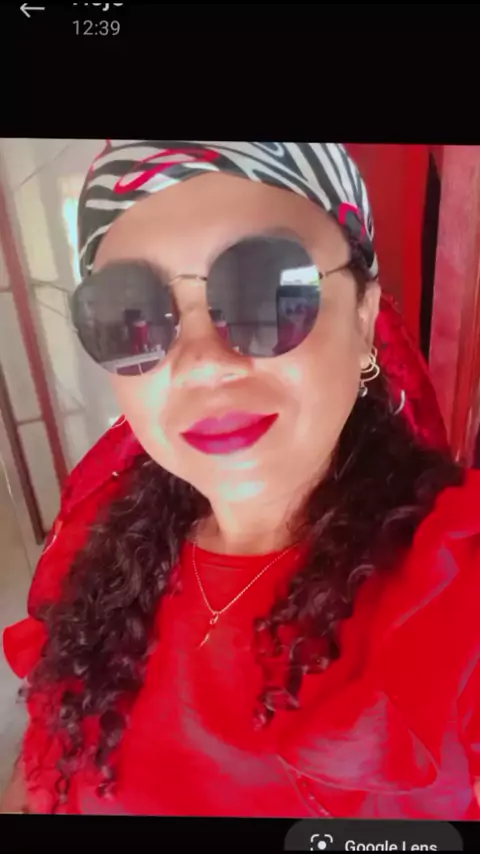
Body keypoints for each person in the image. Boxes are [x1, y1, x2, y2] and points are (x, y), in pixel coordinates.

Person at [2, 142, 480, 819]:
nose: (200, 362)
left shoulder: (453, 593)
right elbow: (40, 774)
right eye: (131, 315)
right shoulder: (101, 548)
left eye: (268, 292)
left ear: (364, 317)